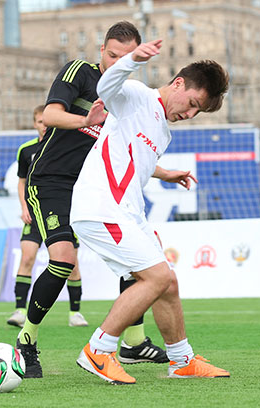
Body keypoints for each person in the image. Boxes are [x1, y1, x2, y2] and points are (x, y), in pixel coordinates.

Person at [70, 39, 231, 384]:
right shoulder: (136, 95)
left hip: (128, 212)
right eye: (192, 104)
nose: (189, 115)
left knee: (167, 282)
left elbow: (132, 156)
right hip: (101, 207)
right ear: (178, 83)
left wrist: (165, 172)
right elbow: (106, 86)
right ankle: (98, 350)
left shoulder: (162, 130)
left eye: (198, 112)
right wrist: (131, 59)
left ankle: (182, 360)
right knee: (156, 277)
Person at [16, 22, 171, 379]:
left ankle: (133, 342)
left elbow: (131, 151)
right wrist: (86, 119)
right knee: (63, 260)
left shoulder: (128, 94)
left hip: (92, 187)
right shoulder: (79, 72)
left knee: (137, 257)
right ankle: (27, 339)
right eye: (112, 55)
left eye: (126, 58)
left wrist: (166, 173)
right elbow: (50, 115)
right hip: (52, 181)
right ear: (102, 50)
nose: (117, 62)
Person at [6, 105, 88, 329]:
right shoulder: (26, 150)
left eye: (46, 121)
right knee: (27, 258)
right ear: (35, 124)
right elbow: (22, 181)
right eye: (40, 122)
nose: (44, 125)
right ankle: (20, 310)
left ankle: (75, 313)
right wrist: (24, 207)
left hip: (61, 212)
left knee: (71, 263)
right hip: (34, 213)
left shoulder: (66, 148)